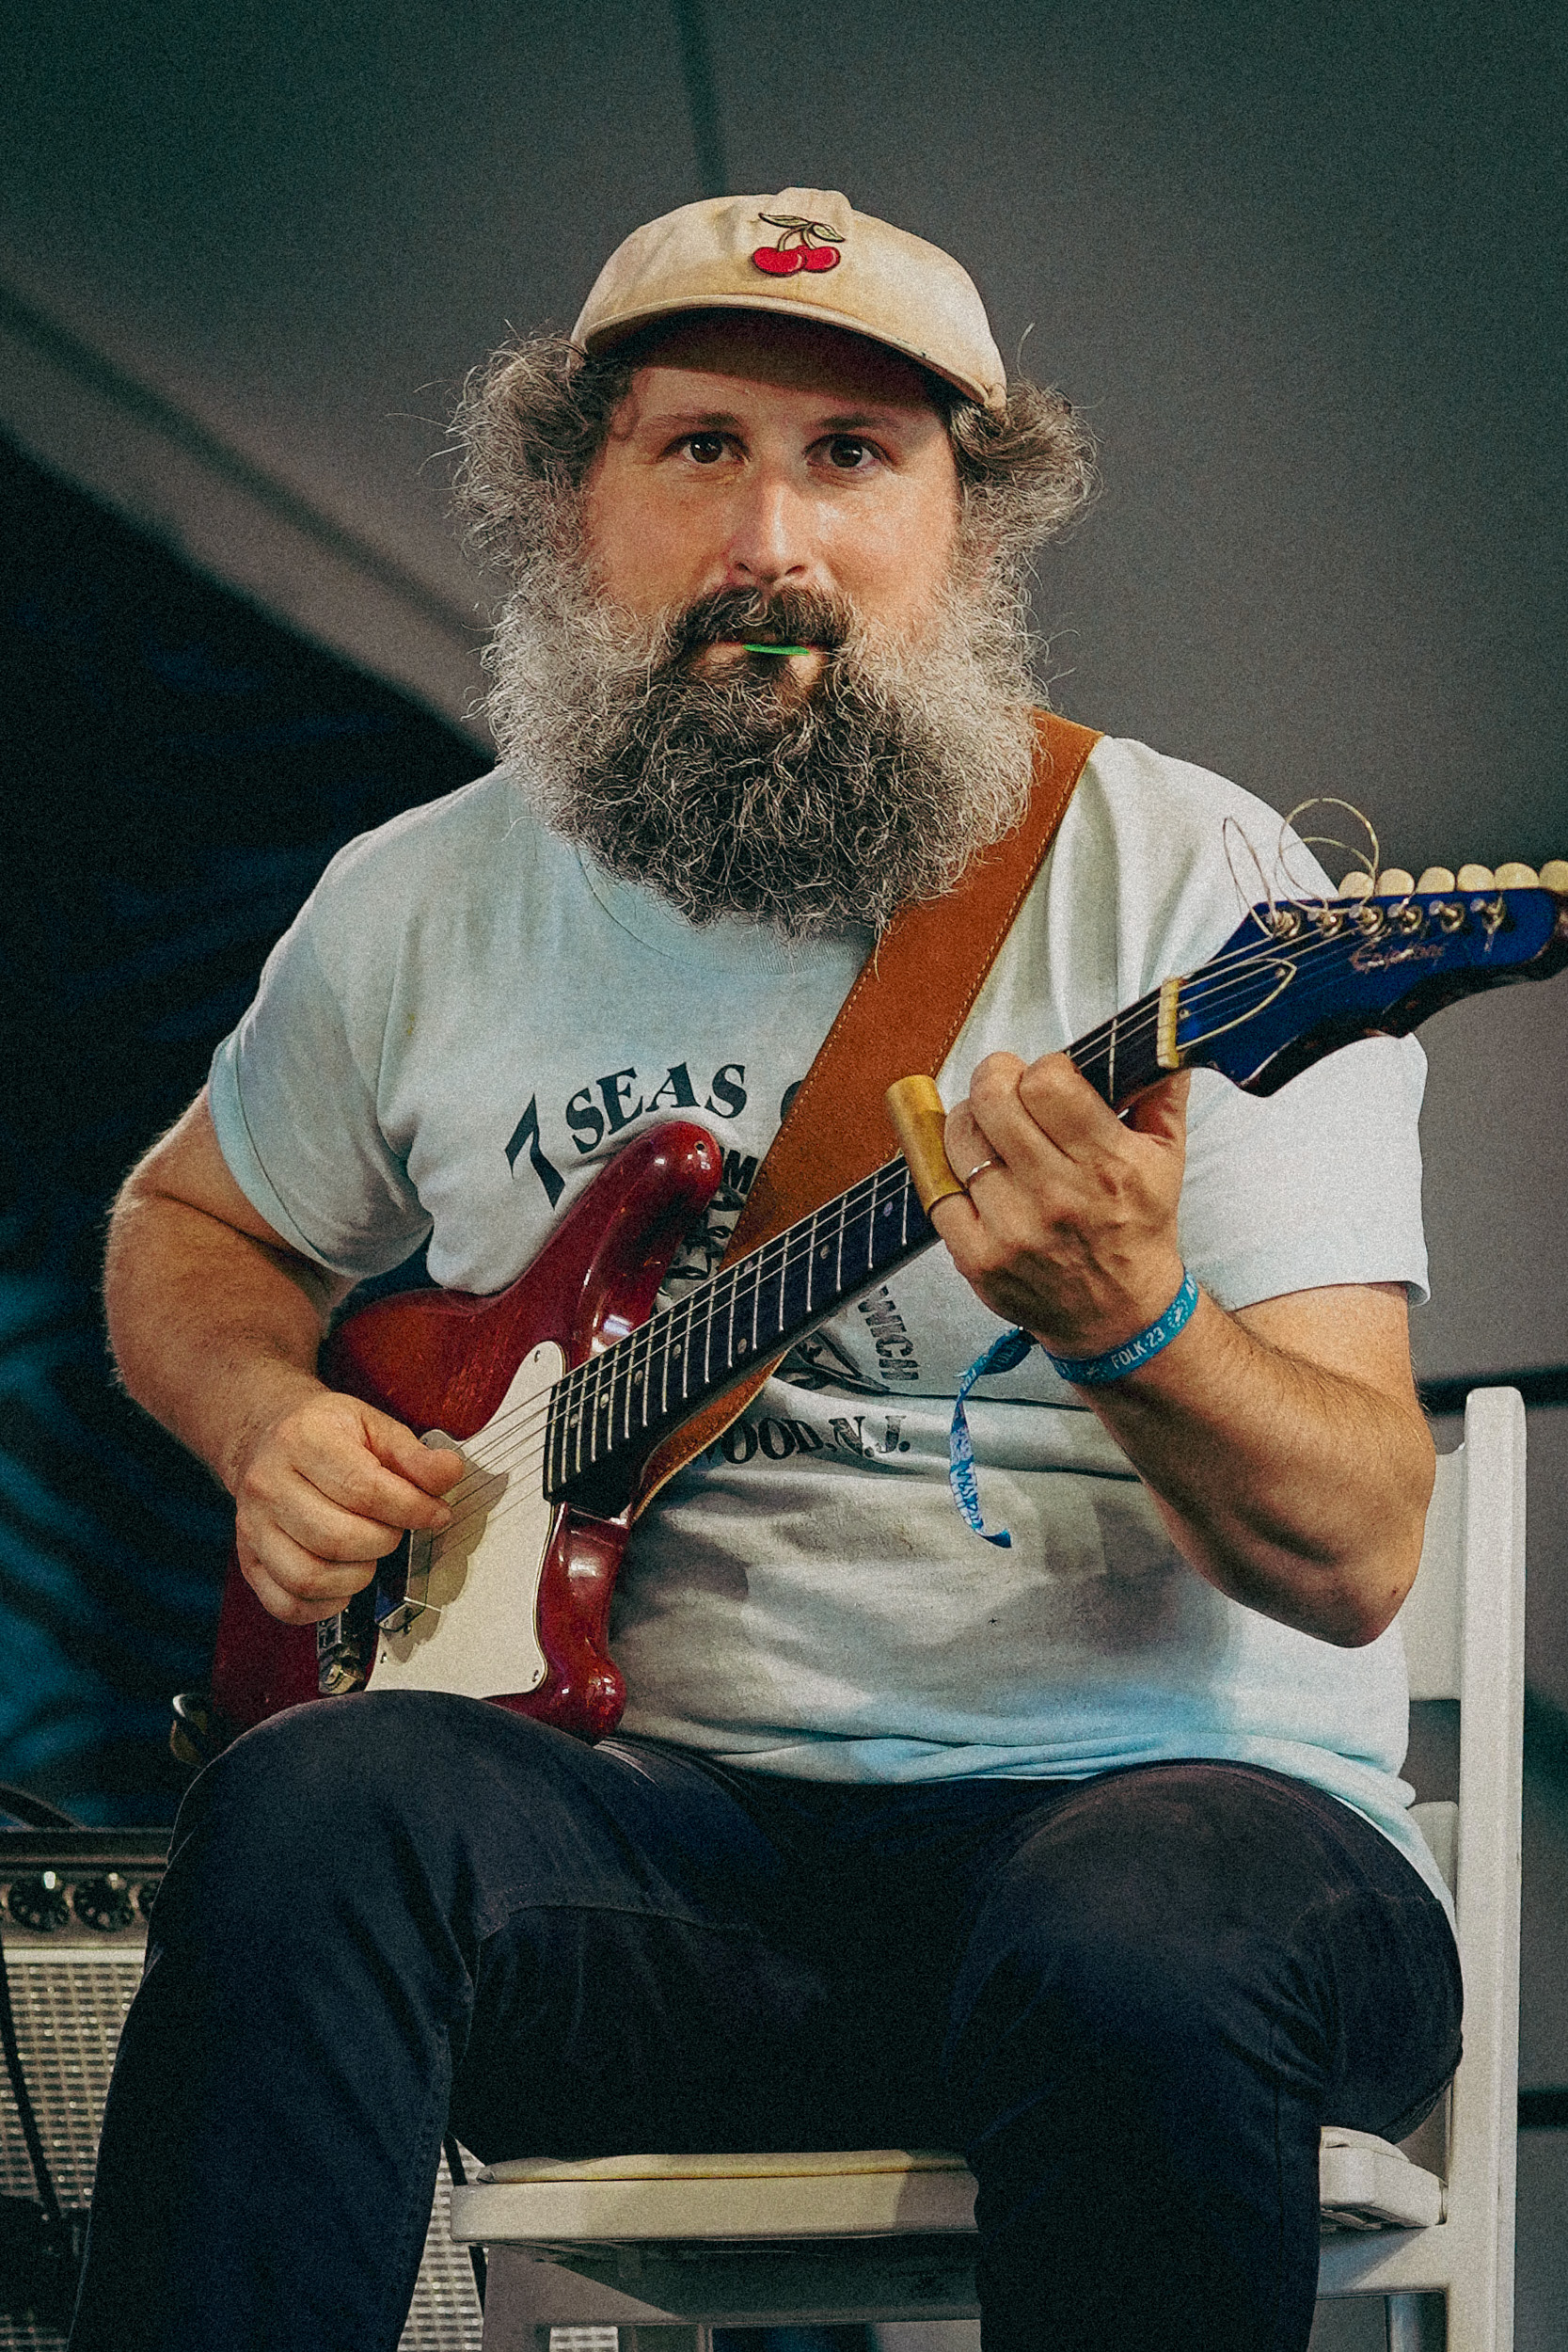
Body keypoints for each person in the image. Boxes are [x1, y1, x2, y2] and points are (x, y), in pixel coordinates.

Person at [75, 189, 1459, 2352]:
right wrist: (266, 1418)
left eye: (851, 456)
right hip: (664, 1889)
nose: (769, 540)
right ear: (573, 500)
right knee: (311, 1803)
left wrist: (1141, 1325)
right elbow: (190, 1225)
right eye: (699, 446)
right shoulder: (417, 902)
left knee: (1137, 1927)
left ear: (971, 525)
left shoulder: (1200, 890)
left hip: (1183, 1865)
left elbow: (1360, 1544)